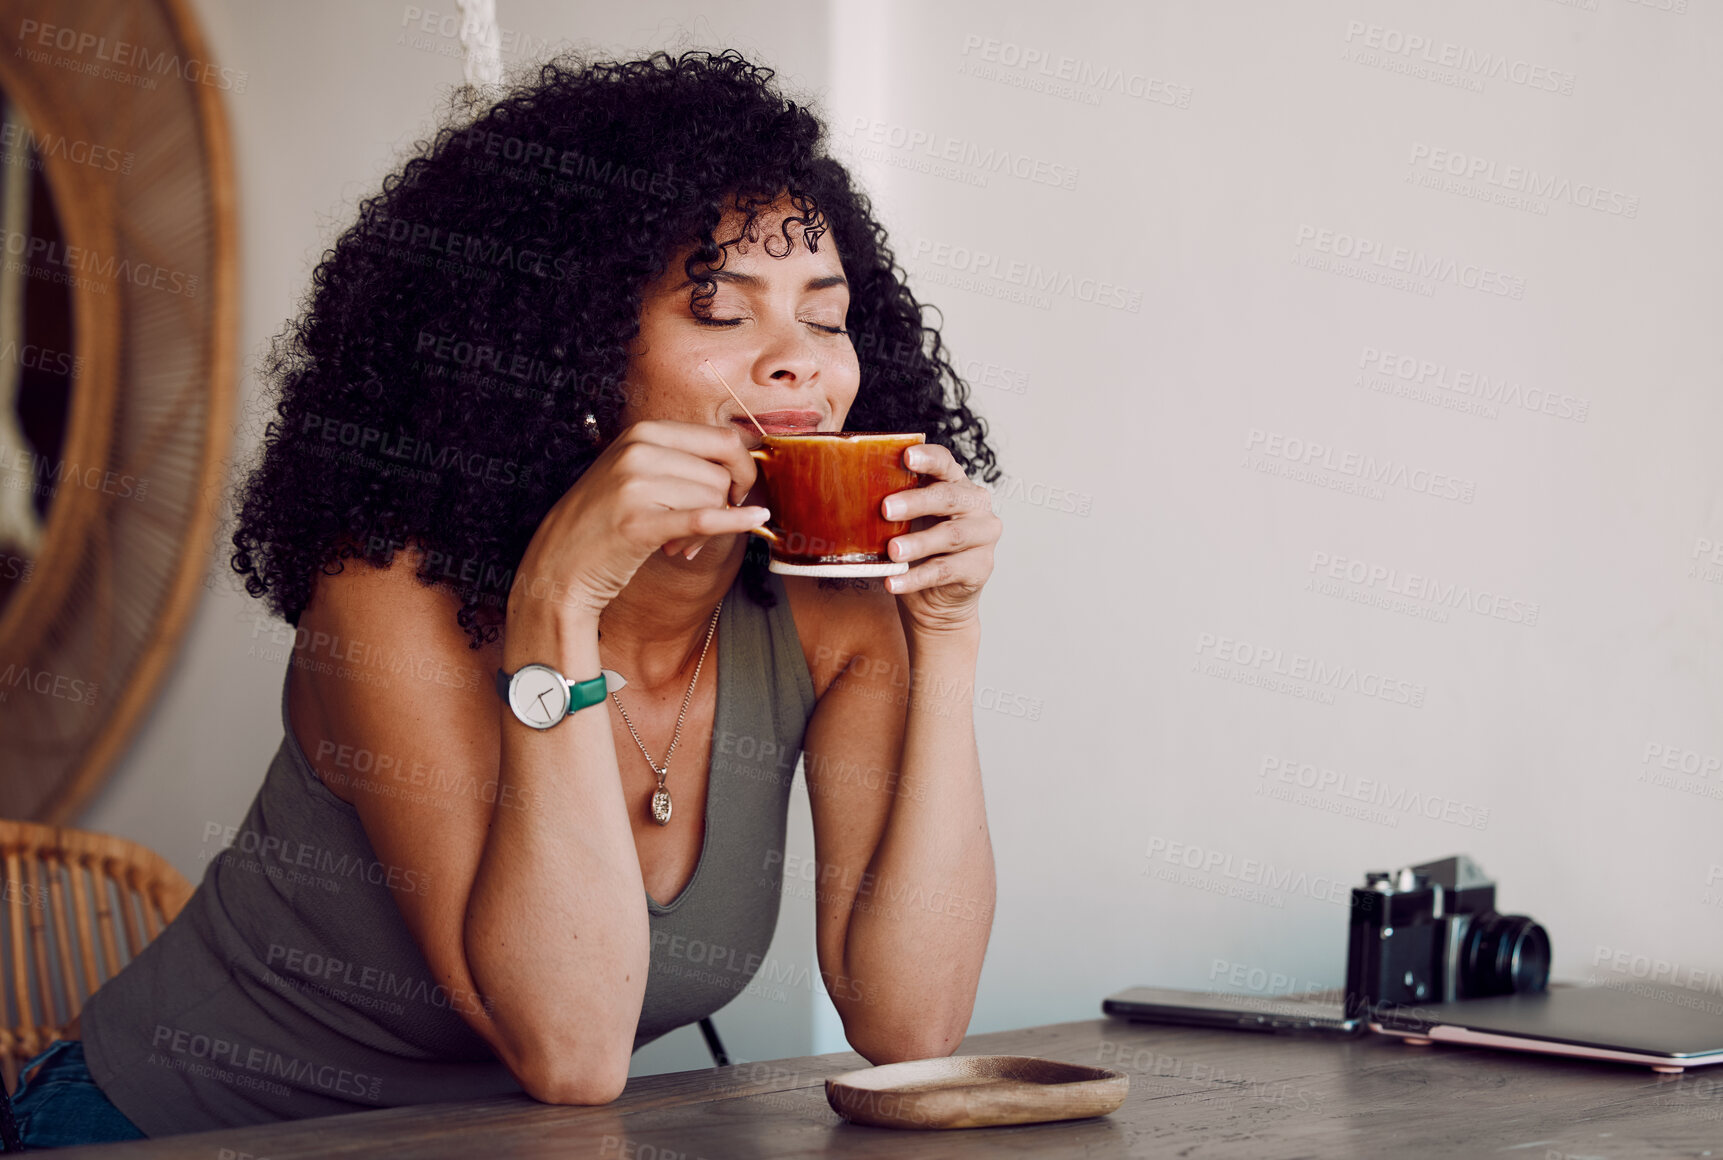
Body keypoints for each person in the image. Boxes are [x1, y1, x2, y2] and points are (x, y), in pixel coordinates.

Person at [3, 49, 1001, 1147]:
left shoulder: (829, 613)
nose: (796, 363)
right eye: (718, 310)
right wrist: (558, 600)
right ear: (567, 354)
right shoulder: (386, 591)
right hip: (161, 1126)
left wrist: (943, 634)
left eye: (825, 314)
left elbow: (911, 1022)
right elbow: (570, 1052)